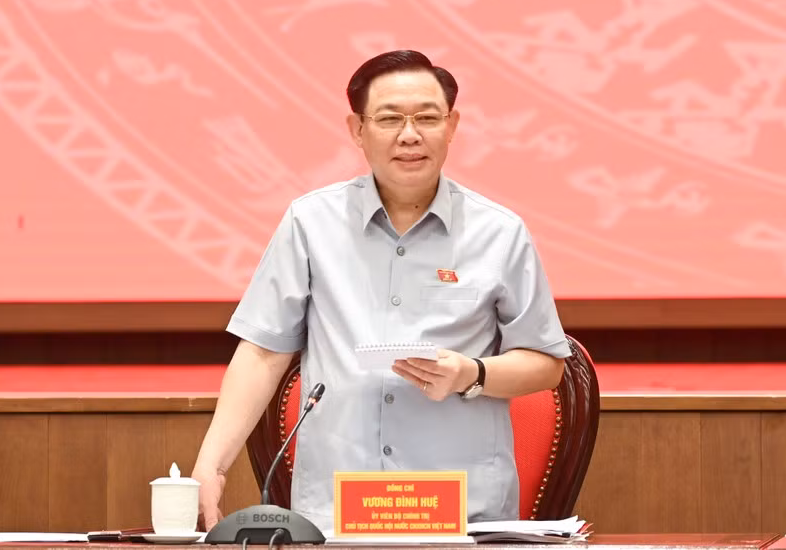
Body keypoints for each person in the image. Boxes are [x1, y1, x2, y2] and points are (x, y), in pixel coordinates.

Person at [192, 50, 571, 532]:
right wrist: (212, 464)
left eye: (428, 118)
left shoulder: (500, 232)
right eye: (390, 118)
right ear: (357, 129)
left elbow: (546, 363)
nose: (410, 134)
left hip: (463, 515)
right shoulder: (311, 223)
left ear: (452, 126)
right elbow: (264, 352)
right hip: (337, 513)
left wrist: (471, 373)